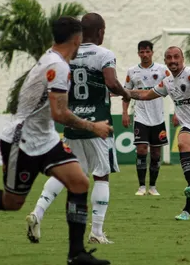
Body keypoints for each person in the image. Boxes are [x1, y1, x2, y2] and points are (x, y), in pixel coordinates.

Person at [0, 17, 113, 265]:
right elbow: (60, 113)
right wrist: (94, 127)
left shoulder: (54, 60)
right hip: (22, 140)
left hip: (45, 138)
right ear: (77, 39)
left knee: (79, 182)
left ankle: (76, 254)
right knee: (12, 202)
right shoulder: (57, 66)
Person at [27, 13, 131, 245]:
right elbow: (112, 82)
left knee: (67, 173)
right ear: (101, 32)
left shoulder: (67, 56)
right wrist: (126, 95)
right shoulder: (104, 55)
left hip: (74, 124)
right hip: (99, 126)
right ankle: (96, 232)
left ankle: (38, 212)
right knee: (101, 176)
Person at [123, 46, 190, 221]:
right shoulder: (167, 82)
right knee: (183, 143)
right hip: (189, 126)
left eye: (176, 57)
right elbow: (145, 94)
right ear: (166, 61)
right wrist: (120, 92)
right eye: (169, 58)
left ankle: (187, 210)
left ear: (182, 58)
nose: (173, 60)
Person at [122, 40, 171, 196]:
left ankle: (153, 187)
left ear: (152, 52)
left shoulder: (162, 70)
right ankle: (142, 186)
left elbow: (174, 88)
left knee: (156, 154)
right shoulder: (131, 71)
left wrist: (178, 111)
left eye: (147, 52)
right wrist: (124, 113)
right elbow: (126, 93)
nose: (144, 55)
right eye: (141, 52)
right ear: (138, 54)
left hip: (158, 117)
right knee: (142, 149)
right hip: (141, 116)